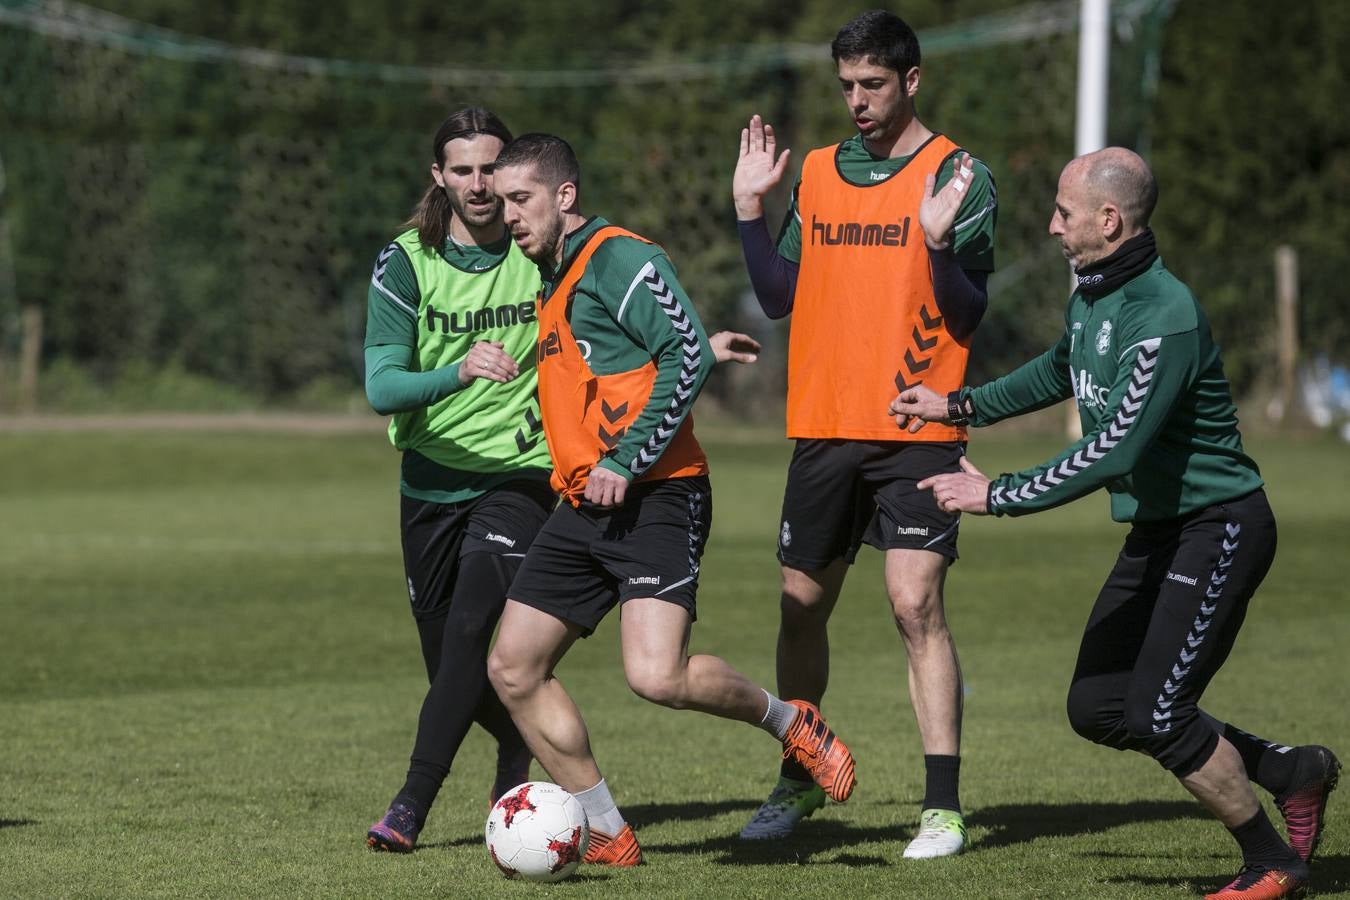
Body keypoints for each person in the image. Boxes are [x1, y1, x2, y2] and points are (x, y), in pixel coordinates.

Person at [891, 147, 1339, 899]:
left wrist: (998, 494)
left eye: (1063, 214)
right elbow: (1060, 369)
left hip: (1219, 527)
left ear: (1109, 220)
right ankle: (1293, 770)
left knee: (1159, 712)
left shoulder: (1164, 316)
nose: (1050, 227)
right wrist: (959, 404)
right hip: (1162, 531)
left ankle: (1272, 862)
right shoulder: (1093, 296)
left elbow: (1114, 447)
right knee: (1098, 706)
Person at [484, 133, 857, 868]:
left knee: (657, 676)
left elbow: (679, 350)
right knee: (513, 668)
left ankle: (793, 725)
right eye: (501, 204)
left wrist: (627, 454)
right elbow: (642, 358)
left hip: (658, 495)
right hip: (585, 502)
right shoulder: (550, 276)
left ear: (565, 196)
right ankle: (605, 830)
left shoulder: (617, 256)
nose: (510, 217)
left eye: (520, 200)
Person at [730, 9, 996, 856]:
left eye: (872, 85)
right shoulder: (814, 171)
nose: (857, 101)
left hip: (918, 427)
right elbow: (780, 297)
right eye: (845, 85)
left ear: (911, 81)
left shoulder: (958, 173)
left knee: (915, 603)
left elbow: (969, 311)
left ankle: (943, 808)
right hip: (823, 427)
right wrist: (747, 212)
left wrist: (941, 246)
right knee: (800, 608)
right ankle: (800, 778)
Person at [361, 107, 554, 853]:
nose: (480, 185)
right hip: (429, 484)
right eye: (463, 170)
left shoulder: (543, 247)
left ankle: (411, 804)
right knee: (452, 668)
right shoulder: (407, 260)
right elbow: (382, 387)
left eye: (492, 169)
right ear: (439, 176)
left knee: (476, 625)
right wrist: (456, 370)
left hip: (520, 476)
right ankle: (516, 746)